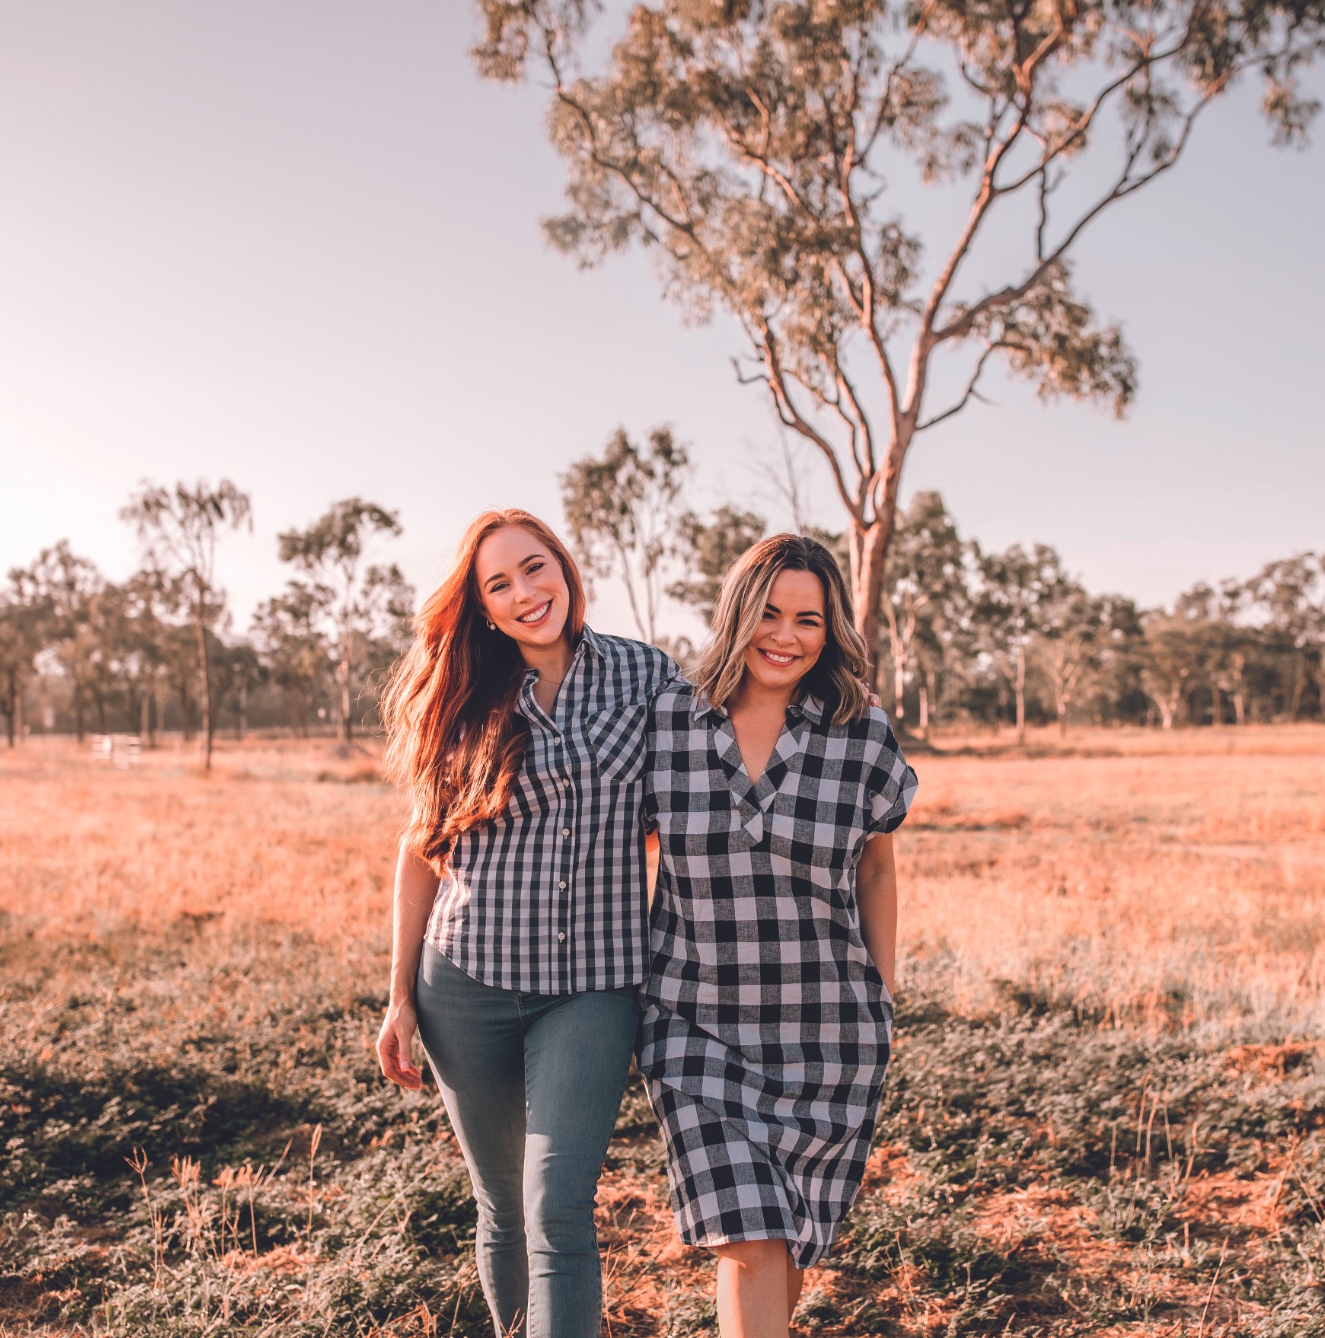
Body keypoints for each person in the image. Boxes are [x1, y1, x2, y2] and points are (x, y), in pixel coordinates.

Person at [373, 508, 674, 1338]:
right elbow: (420, 849)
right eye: (498, 584)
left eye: (534, 567)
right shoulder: (465, 696)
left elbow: (732, 729)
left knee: (559, 1204)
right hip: (463, 982)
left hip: (592, 985)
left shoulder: (646, 676)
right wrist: (399, 995)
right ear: (482, 606)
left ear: (565, 568)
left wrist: (828, 690)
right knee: (503, 1203)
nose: (524, 592)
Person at [639, 534, 917, 1338]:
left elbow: (876, 871)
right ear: (736, 613)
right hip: (694, 1030)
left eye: (808, 619)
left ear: (830, 631)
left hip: (827, 1033)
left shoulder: (860, 733)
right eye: (767, 612)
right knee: (751, 1239)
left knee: (786, 1240)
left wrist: (884, 997)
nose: (786, 635)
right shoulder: (669, 723)